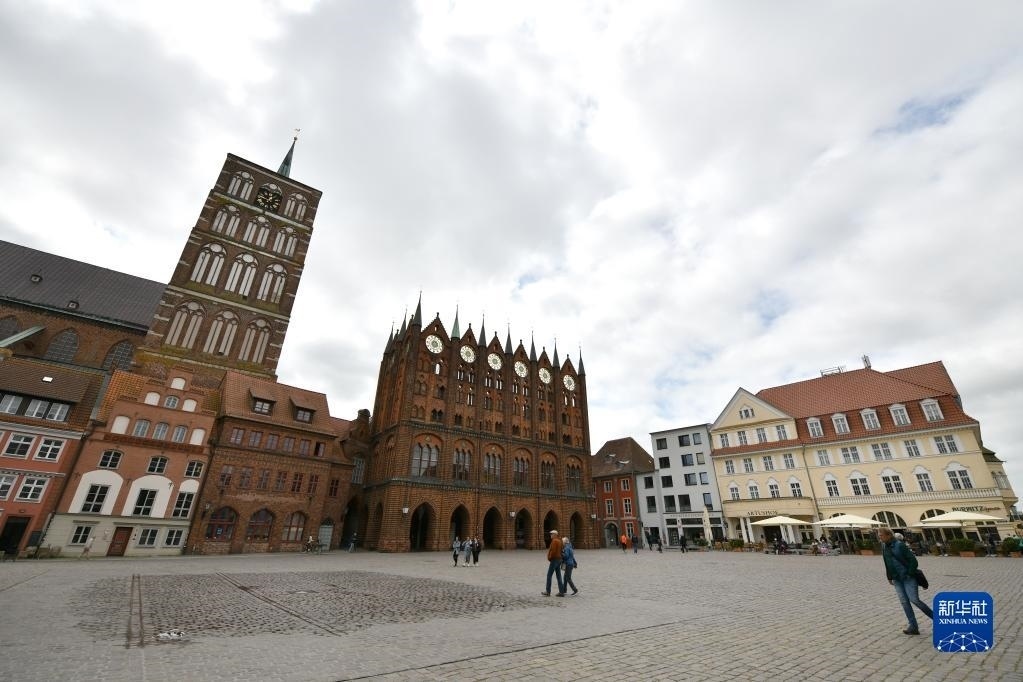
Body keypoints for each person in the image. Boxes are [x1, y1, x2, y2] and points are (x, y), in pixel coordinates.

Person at [879, 527, 932, 635]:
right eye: (879, 536)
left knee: (914, 600)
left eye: (881, 535)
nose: (880, 538)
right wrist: (889, 576)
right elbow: (887, 562)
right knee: (904, 602)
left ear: (889, 535)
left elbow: (913, 561)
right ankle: (913, 626)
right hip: (897, 579)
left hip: (907, 578)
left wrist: (909, 574)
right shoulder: (884, 546)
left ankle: (938, 620)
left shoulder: (900, 545)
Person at [543, 530, 566, 596]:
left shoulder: (554, 541)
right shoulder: (560, 541)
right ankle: (561, 592)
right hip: (559, 559)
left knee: (549, 575)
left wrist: (549, 557)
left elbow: (553, 551)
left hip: (554, 560)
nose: (551, 535)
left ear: (555, 535)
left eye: (552, 534)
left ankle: (548, 591)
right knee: (559, 576)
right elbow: (562, 550)